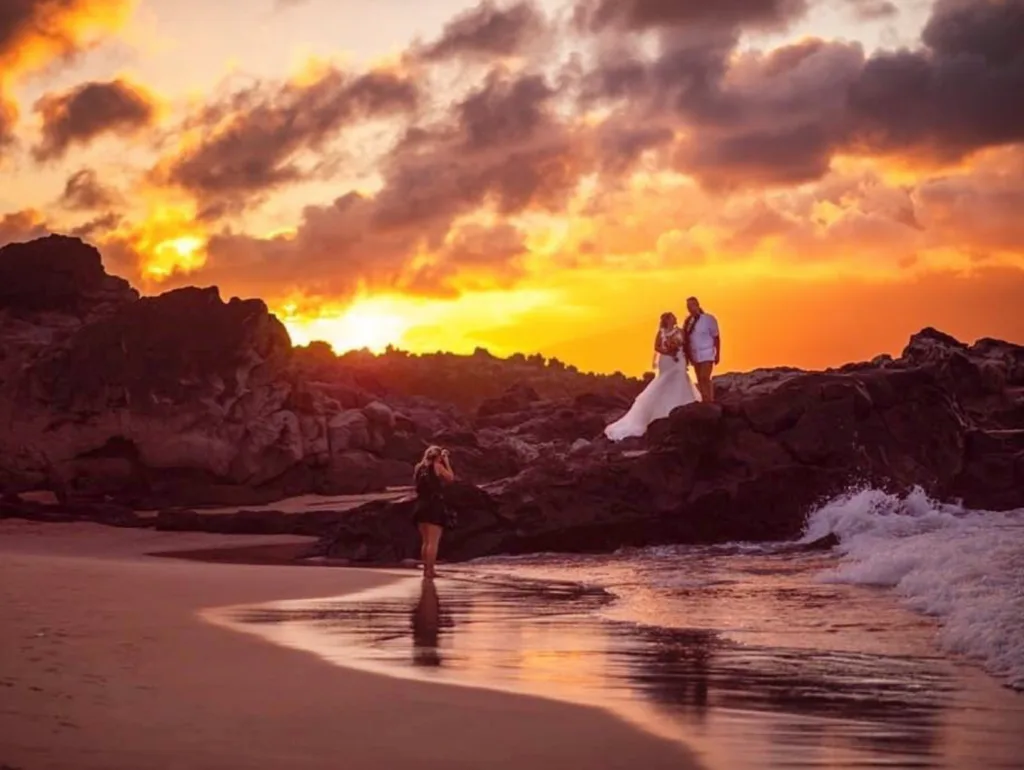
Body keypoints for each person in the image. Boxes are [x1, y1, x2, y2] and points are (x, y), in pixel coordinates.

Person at [604, 311, 701, 441]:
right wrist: (668, 351)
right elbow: (657, 347)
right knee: (664, 381)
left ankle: (682, 405)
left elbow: (685, 345)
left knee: (681, 378)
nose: (675, 319)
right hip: (666, 360)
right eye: (672, 318)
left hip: (679, 359)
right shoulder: (661, 332)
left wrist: (680, 352)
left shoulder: (680, 331)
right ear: (667, 320)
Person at [412, 445, 454, 579]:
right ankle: (431, 570)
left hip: (420, 505)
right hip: (433, 505)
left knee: (425, 541)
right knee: (433, 542)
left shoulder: (418, 467)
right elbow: (450, 478)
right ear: (438, 457)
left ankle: (426, 570)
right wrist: (446, 461)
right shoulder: (437, 466)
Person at [683, 296, 720, 403]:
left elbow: (716, 337)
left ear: (698, 305)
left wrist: (717, 354)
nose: (690, 308)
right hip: (694, 355)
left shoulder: (708, 319)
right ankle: (705, 400)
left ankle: (709, 400)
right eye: (688, 306)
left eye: (692, 305)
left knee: (705, 377)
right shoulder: (688, 321)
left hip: (707, 353)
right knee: (699, 378)